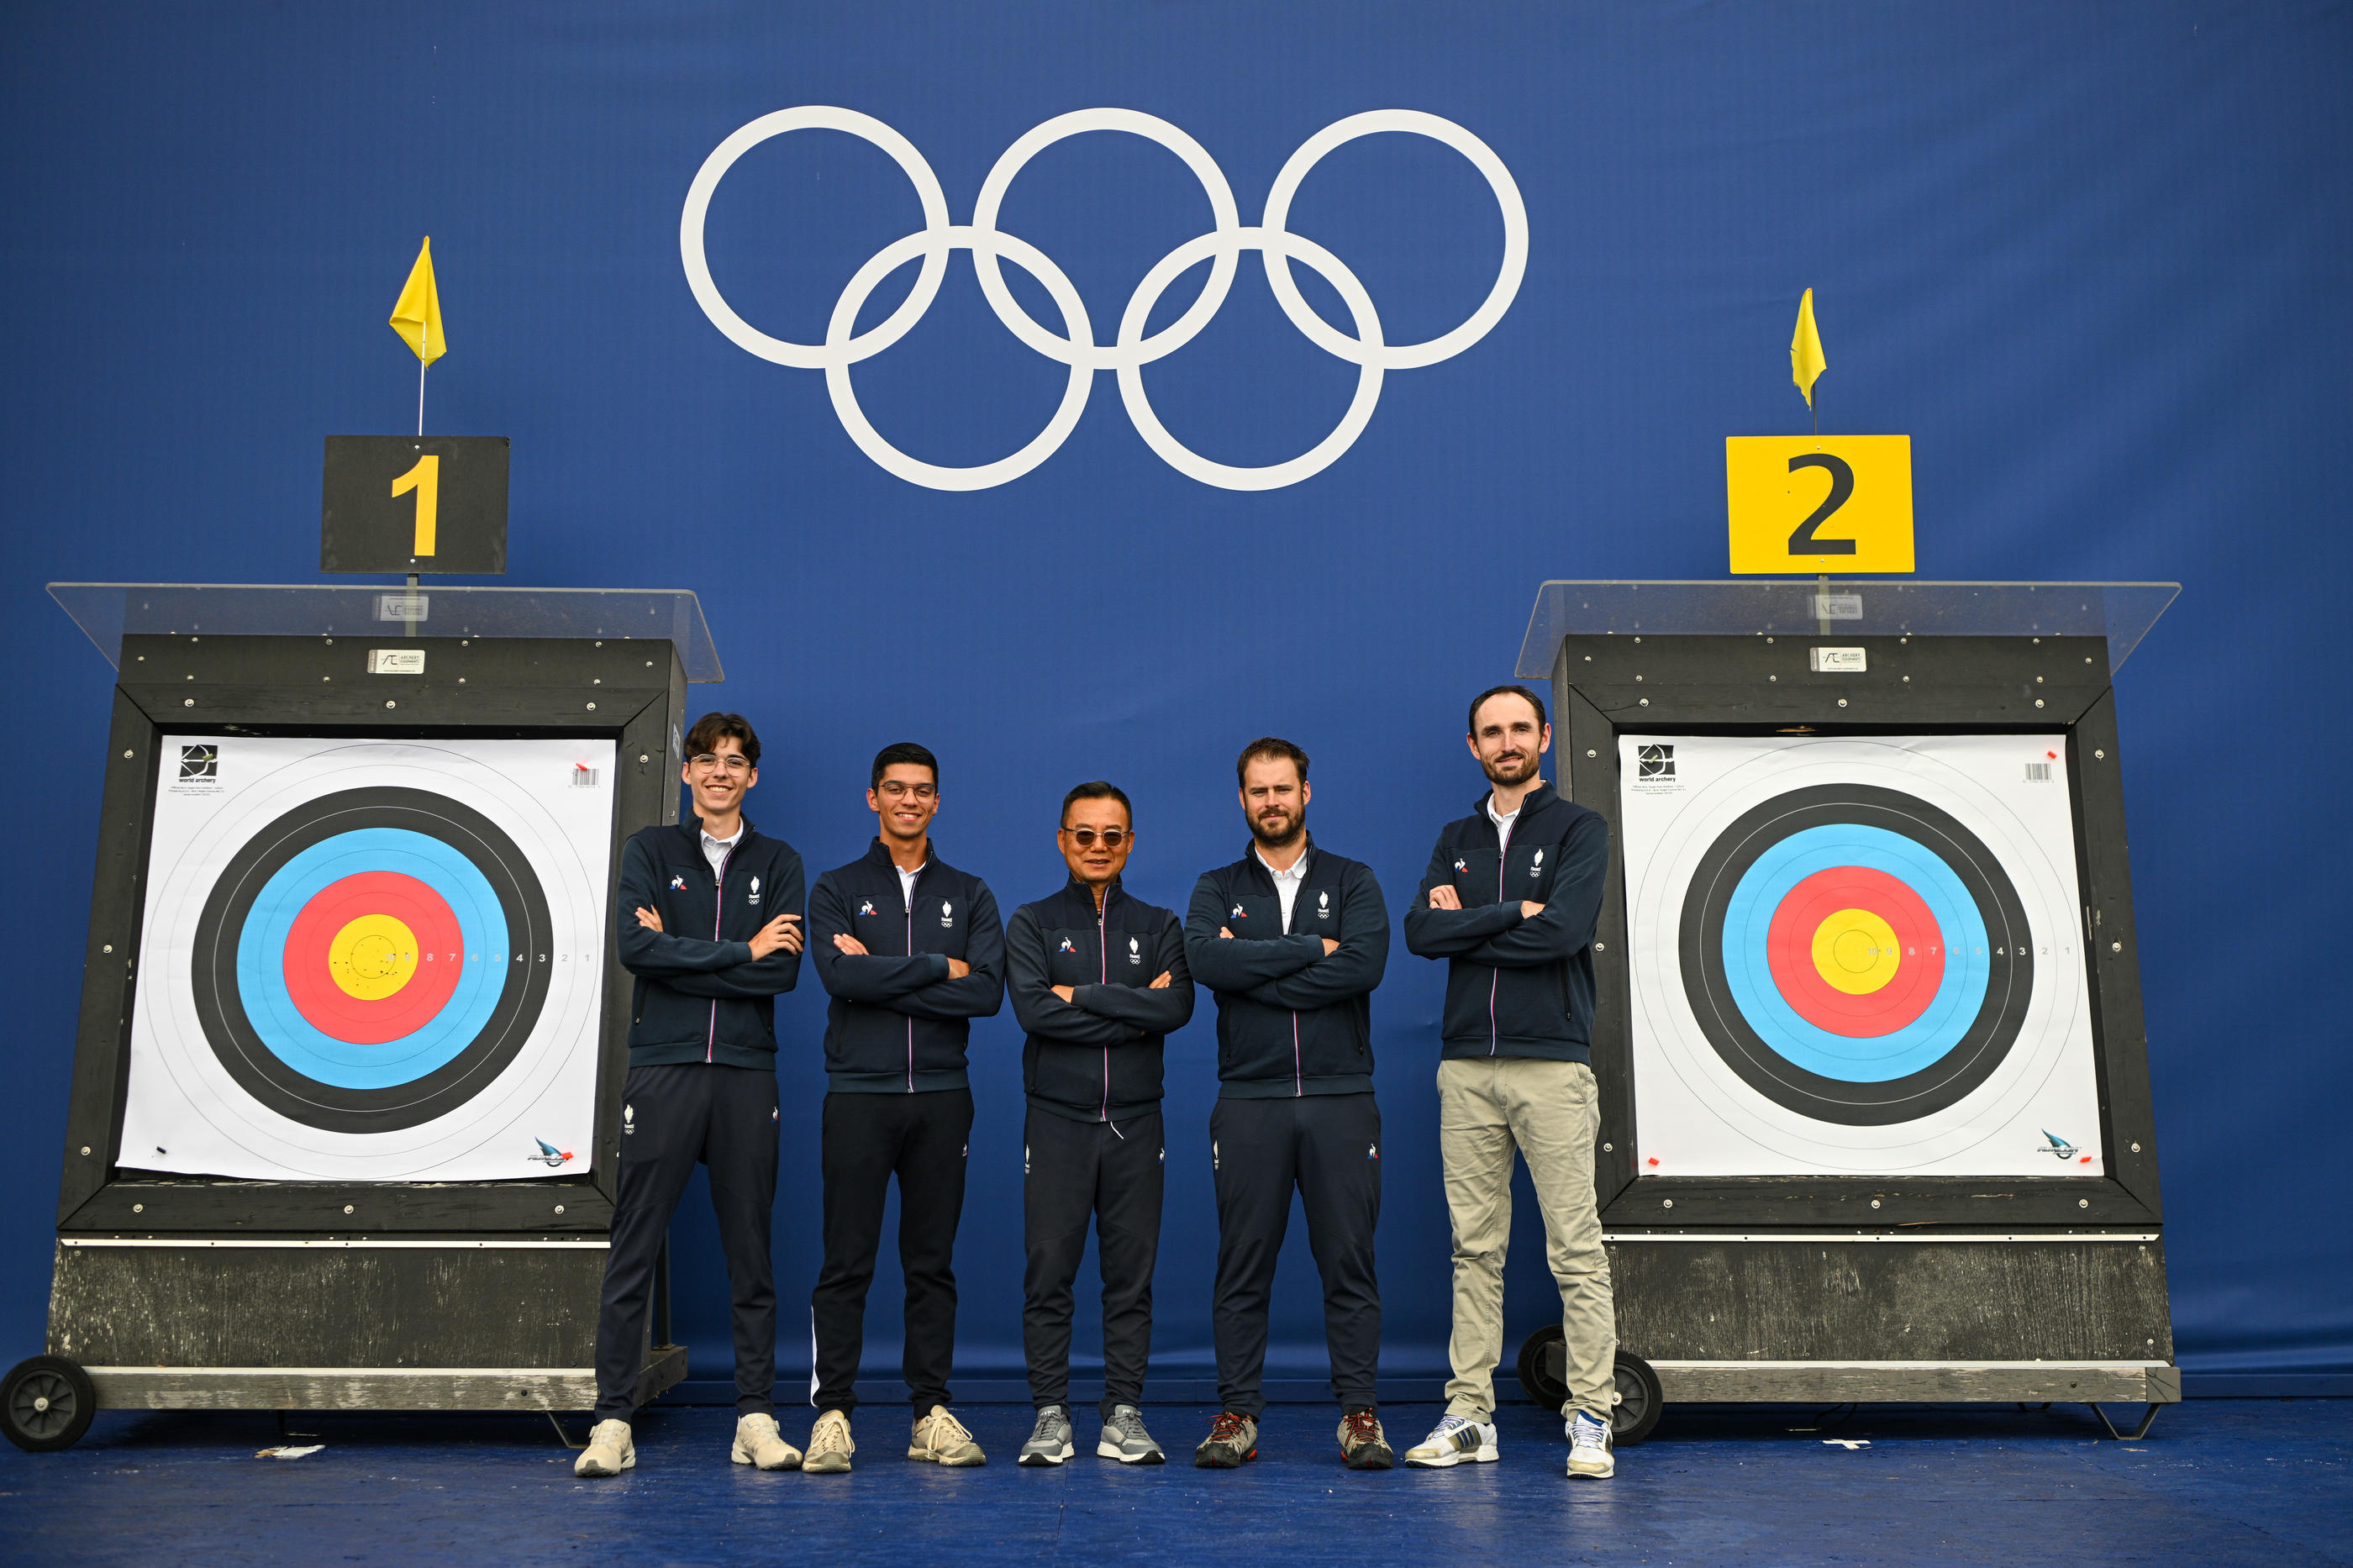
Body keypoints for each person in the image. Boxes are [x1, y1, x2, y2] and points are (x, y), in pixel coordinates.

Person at [576, 713, 807, 1479]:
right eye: (706, 760)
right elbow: (635, 949)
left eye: (735, 762)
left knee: (752, 1253)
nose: (720, 772)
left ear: (752, 777)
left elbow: (783, 973)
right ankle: (612, 1420)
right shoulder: (650, 850)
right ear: (686, 773)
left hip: (746, 1072)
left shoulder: (778, 861)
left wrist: (682, 954)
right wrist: (741, 948)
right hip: (665, 1067)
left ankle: (754, 1417)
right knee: (634, 1244)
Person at [1400, 684, 1617, 1481]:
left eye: (1519, 728)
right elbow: (1422, 932)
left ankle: (1591, 1416)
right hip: (1466, 1068)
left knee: (1575, 1251)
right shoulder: (1456, 834)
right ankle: (1470, 1418)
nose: (1506, 742)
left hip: (1552, 1064)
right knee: (1474, 1251)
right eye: (1491, 732)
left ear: (1546, 738)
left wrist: (1471, 921)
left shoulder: (1578, 828)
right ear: (1473, 748)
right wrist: (1508, 911)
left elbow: (1564, 929)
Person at [1182, 737, 1392, 1471]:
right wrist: (1313, 950)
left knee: (1350, 1262)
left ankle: (1360, 1415)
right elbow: (1207, 960)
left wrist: (1258, 966)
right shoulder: (1215, 885)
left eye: (1284, 789)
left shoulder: (1353, 878)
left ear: (1308, 791)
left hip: (1341, 1099)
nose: (1272, 802)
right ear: (1242, 800)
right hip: (1249, 1100)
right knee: (1242, 1264)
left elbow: (1365, 964)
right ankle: (1237, 1414)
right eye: (1258, 791)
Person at [803, 742, 1005, 1473]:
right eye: (895, 789)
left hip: (943, 1099)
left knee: (931, 1263)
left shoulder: (970, 892)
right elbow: (837, 976)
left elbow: (985, 993)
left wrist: (878, 972)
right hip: (858, 1095)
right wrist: (931, 968)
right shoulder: (835, 887)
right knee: (846, 1261)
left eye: (922, 790)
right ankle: (833, 1414)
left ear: (937, 802)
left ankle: (931, 1414)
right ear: (873, 798)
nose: (908, 801)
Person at [1004, 782, 1194, 1467]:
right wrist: (1131, 1007)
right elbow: (1033, 1012)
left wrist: (1078, 994)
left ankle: (1123, 1414)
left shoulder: (1160, 923)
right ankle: (1050, 1415)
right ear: (1063, 841)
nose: (1098, 847)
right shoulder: (1030, 921)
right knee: (1049, 1273)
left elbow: (1175, 1010)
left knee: (1130, 1278)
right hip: (1056, 1122)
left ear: (1130, 843)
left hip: (1138, 1124)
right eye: (1084, 834)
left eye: (1112, 835)